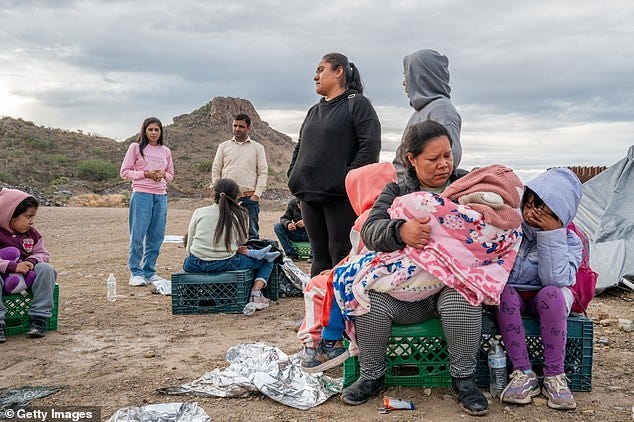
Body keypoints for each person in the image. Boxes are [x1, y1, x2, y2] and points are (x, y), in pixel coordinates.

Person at [342, 120, 489, 416]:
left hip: (448, 288)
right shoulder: (397, 190)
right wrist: (401, 232)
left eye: (447, 155)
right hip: (408, 295)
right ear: (412, 159)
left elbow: (493, 218)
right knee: (368, 302)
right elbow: (371, 230)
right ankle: (372, 375)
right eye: (433, 159)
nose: (443, 165)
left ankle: (463, 380)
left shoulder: (466, 185)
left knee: (465, 297)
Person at [496, 168, 583, 410]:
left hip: (546, 295)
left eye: (545, 212)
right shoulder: (511, 229)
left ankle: (555, 375)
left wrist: (552, 235)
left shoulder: (571, 241)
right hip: (514, 293)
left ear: (562, 217)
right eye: (531, 205)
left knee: (553, 295)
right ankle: (524, 373)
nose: (533, 214)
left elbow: (553, 279)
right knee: (503, 295)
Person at [288, 52, 381, 277]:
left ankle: (341, 310)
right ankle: (317, 309)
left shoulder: (357, 104)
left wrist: (346, 179)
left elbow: (370, 147)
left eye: (321, 70)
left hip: (340, 196)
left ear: (338, 71)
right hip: (309, 195)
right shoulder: (314, 110)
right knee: (319, 256)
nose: (315, 77)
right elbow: (300, 146)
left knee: (340, 253)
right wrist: (293, 175)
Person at [182, 178, 275, 309]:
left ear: (214, 194)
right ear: (236, 197)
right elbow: (243, 240)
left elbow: (189, 245)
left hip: (194, 264)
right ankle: (255, 293)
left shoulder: (199, 212)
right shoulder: (237, 215)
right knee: (268, 260)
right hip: (225, 263)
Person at [120, 117, 174, 290]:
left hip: (160, 196)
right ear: (144, 131)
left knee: (156, 235)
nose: (153, 133)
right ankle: (135, 272)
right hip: (142, 194)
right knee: (138, 234)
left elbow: (171, 175)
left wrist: (162, 175)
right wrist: (146, 174)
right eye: (150, 129)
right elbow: (125, 172)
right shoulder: (135, 148)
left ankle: (149, 271)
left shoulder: (165, 151)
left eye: (156, 130)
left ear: (161, 132)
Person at [393, 49, 462, 181]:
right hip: (404, 188)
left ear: (422, 76)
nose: (404, 83)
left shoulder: (442, 109)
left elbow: (450, 159)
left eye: (407, 75)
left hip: (419, 194)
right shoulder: (421, 111)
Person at [0, 189, 57, 342]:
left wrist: (32, 262)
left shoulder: (32, 234)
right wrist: (11, 266)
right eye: (28, 217)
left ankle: (39, 319)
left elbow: (42, 254)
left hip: (26, 278)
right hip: (3, 276)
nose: (31, 221)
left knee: (46, 269)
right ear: (9, 215)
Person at [211, 113, 268, 240]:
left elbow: (263, 172)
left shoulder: (258, 148)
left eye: (241, 126)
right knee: (225, 230)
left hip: (249, 197)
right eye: (235, 125)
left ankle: (251, 259)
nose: (237, 129)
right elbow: (216, 169)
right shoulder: (223, 146)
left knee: (251, 233)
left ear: (249, 127)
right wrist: (217, 189)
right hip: (226, 197)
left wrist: (256, 195)